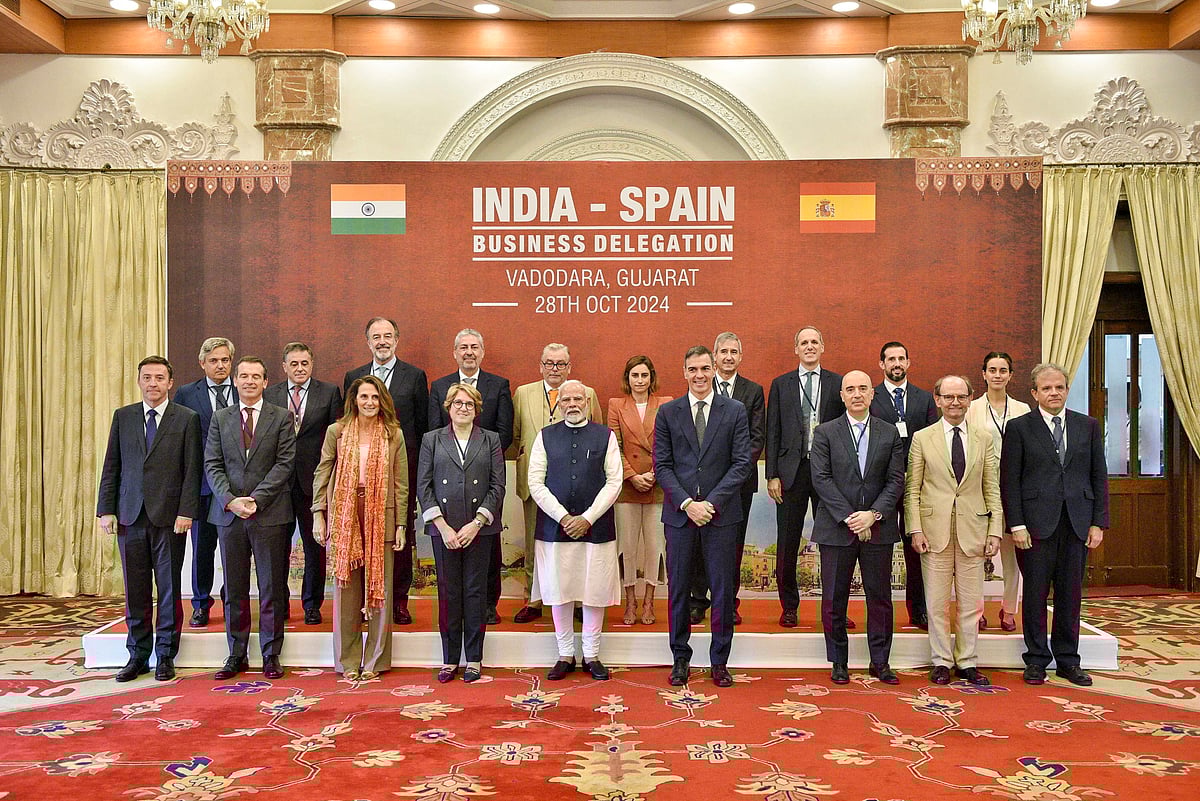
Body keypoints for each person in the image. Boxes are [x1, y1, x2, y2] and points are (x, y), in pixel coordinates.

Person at [1000, 362, 1109, 687]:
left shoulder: (1087, 426)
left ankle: (1068, 661)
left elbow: (1098, 475)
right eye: (1046, 388)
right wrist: (1016, 524)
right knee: (1034, 595)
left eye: (1059, 387)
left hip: (1076, 523)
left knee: (1070, 596)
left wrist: (1098, 522)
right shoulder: (1019, 428)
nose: (1054, 393)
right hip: (1034, 527)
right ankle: (1036, 660)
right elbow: (1009, 481)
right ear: (1034, 393)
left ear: (1066, 390)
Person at [97, 356, 203, 682]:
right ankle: (138, 655)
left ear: (170, 382)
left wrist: (187, 511)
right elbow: (112, 465)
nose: (153, 383)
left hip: (170, 518)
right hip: (130, 516)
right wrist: (106, 509)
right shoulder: (124, 416)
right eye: (147, 377)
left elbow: (192, 470)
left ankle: (166, 655)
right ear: (139, 381)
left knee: (169, 588)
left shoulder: (186, 418)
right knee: (136, 590)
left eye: (159, 377)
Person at [654, 346, 752, 688]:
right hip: (680, 517)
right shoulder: (668, 412)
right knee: (679, 589)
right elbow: (663, 466)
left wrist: (710, 502)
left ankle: (719, 662)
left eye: (705, 368)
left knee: (722, 591)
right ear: (684, 372)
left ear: (713, 371)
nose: (699, 375)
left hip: (721, 516)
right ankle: (680, 658)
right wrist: (687, 504)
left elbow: (742, 463)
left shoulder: (734, 410)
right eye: (693, 369)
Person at [905, 375, 1003, 686]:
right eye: (948, 397)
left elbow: (992, 487)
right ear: (937, 400)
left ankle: (967, 661)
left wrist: (995, 530)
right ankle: (941, 662)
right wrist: (915, 529)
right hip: (934, 532)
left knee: (971, 603)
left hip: (973, 530)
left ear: (970, 399)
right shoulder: (922, 438)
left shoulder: (984, 438)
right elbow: (912, 489)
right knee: (935, 603)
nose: (955, 402)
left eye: (961, 396)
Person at [811, 370, 905, 685]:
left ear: (872, 393)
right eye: (850, 389)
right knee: (834, 598)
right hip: (837, 528)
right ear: (842, 396)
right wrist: (852, 517)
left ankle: (880, 662)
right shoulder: (825, 432)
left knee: (880, 598)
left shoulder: (889, 433)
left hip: (878, 528)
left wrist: (873, 515)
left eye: (863, 388)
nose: (857, 394)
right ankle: (839, 662)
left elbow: (895, 480)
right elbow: (821, 479)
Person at [204, 356, 296, 681]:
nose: (249, 381)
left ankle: (271, 654)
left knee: (271, 587)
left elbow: (284, 464)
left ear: (266, 382)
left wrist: (255, 500)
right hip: (230, 516)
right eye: (244, 376)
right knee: (234, 588)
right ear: (236, 380)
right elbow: (212, 464)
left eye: (256, 376)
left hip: (269, 514)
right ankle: (236, 653)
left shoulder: (281, 417)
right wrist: (231, 501)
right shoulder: (220, 418)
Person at [312, 375, 409, 681]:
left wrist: (401, 524)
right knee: (346, 590)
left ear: (383, 401)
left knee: (381, 589)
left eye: (375, 397)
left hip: (381, 514)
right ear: (354, 399)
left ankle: (375, 661)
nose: (369, 402)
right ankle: (348, 660)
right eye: (364, 396)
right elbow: (322, 473)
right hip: (345, 513)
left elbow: (401, 484)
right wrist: (318, 514)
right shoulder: (337, 431)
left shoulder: (393, 434)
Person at [529, 380, 622, 681]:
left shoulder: (605, 436)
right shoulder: (544, 436)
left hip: (596, 527)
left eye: (578, 399)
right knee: (560, 591)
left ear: (587, 402)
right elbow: (535, 482)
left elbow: (614, 481)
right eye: (566, 399)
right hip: (554, 527)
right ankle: (565, 654)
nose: (572, 404)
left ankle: (591, 655)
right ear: (559, 404)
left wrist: (588, 518)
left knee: (595, 591)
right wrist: (563, 517)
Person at [417, 381, 505, 683]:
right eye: (458, 403)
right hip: (444, 530)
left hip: (479, 530)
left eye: (469, 404)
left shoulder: (491, 439)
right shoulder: (432, 439)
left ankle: (475, 659)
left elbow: (498, 485)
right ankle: (450, 659)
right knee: (449, 593)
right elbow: (424, 486)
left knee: (475, 592)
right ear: (448, 408)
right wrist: (441, 526)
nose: (463, 408)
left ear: (477, 409)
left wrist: (477, 523)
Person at [343, 317, 427, 626]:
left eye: (387, 336)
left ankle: (398, 601)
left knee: (398, 536)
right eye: (376, 336)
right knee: (361, 538)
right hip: (361, 475)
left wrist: (415, 473)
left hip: (399, 471)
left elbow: (422, 428)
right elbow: (347, 423)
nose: (382, 341)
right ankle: (364, 602)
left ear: (396, 340)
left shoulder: (414, 376)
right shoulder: (354, 377)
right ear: (368, 342)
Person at [510, 343, 603, 623]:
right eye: (549, 363)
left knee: (576, 544)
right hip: (535, 483)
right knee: (534, 543)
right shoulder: (522, 393)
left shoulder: (587, 394)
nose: (554, 369)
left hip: (578, 484)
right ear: (540, 366)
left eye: (561, 364)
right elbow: (516, 436)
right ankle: (534, 599)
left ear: (569, 367)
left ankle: (578, 601)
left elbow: (597, 432)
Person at [428, 329, 513, 626]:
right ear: (454, 352)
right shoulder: (439, 387)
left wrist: (483, 458)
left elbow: (505, 432)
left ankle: (488, 604)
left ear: (482, 352)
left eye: (474, 347)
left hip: (486, 475)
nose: (469, 352)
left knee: (488, 546)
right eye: (463, 347)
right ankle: (457, 613)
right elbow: (433, 430)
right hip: (447, 478)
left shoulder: (498, 385)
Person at [765, 326, 845, 628]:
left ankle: (836, 609)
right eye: (804, 342)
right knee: (787, 542)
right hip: (791, 473)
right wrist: (772, 474)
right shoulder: (781, 384)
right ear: (796, 349)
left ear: (822, 347)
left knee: (834, 542)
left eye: (814, 342)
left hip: (828, 473)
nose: (809, 346)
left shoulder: (837, 383)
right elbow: (773, 430)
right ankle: (789, 606)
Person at [263, 342, 343, 626]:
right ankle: (280, 604)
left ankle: (312, 605)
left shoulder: (329, 392)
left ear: (312, 364)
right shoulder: (270, 394)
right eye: (294, 364)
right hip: (277, 484)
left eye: (304, 363)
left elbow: (336, 439)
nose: (299, 368)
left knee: (314, 547)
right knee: (277, 548)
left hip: (313, 481)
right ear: (284, 366)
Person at [689, 332, 764, 627]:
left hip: (738, 484)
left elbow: (756, 438)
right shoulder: (701, 386)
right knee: (698, 543)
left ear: (740, 357)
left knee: (732, 546)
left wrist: (733, 472)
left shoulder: (753, 391)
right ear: (714, 357)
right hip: (701, 483)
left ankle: (728, 603)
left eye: (734, 352)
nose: (728, 357)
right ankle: (698, 601)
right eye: (723, 352)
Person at [870, 341, 938, 630]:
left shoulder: (925, 399)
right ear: (882, 364)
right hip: (882, 485)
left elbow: (933, 439)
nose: (896, 363)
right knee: (880, 550)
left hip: (917, 485)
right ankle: (880, 614)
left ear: (908, 363)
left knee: (916, 549)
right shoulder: (870, 397)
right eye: (891, 359)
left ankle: (918, 609)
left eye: (901, 358)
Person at [173, 336, 237, 628]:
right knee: (202, 549)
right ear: (202, 363)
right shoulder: (187, 394)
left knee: (233, 550)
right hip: (200, 486)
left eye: (225, 360)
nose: (220, 365)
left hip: (236, 486)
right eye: (213, 361)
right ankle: (200, 604)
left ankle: (232, 602)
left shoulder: (244, 388)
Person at [966, 351, 1031, 632]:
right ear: (984, 374)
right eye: (992, 370)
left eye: (1003, 370)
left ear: (1010, 375)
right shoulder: (972, 409)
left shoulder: (1022, 409)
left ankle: (1009, 609)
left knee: (1012, 555)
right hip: (981, 488)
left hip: (1015, 488)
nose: (997, 375)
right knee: (978, 554)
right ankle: (976, 609)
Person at [607, 355, 671, 625]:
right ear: (628, 378)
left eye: (645, 375)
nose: (640, 380)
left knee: (656, 547)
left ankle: (649, 602)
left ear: (651, 377)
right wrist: (632, 476)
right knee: (627, 547)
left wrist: (655, 474)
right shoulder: (616, 405)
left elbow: (668, 444)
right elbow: (614, 446)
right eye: (635, 375)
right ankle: (630, 601)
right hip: (627, 487)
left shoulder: (665, 404)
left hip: (657, 486)